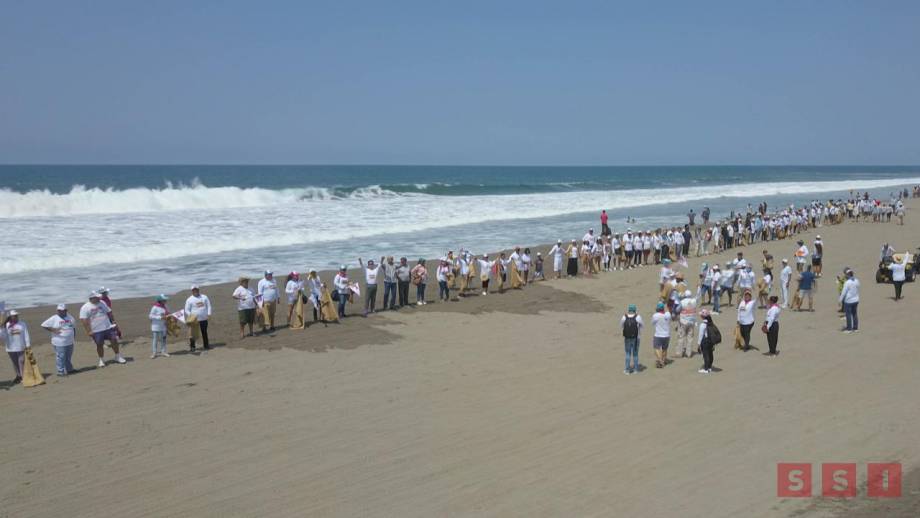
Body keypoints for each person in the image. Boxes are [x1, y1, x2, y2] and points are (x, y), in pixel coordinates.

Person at [79, 292, 126, 367]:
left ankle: (117, 356)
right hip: (96, 330)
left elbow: (109, 312)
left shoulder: (102, 302)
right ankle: (102, 359)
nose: (99, 298)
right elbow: (83, 320)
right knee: (99, 344)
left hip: (108, 327)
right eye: (97, 297)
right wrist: (89, 331)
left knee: (114, 341)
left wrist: (113, 322)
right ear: (91, 298)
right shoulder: (85, 307)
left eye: (99, 297)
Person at [41, 304, 77, 376]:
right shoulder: (54, 318)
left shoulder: (70, 317)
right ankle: (60, 371)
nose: (61, 312)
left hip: (70, 341)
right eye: (59, 310)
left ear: (66, 310)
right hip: (59, 342)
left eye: (62, 310)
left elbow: (73, 328)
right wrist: (53, 330)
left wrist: (73, 337)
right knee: (61, 357)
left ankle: (69, 369)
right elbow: (44, 325)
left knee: (68, 356)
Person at [4, 310, 30, 383]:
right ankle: (18, 376)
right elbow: (3, 335)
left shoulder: (22, 324)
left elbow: (26, 334)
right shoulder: (6, 325)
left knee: (21, 361)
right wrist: (2, 328)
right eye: (14, 316)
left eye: (16, 315)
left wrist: (28, 345)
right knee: (15, 362)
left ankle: (23, 376)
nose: (16, 317)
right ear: (10, 317)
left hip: (21, 346)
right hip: (10, 347)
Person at [185, 285, 212, 351]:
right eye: (193, 290)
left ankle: (206, 345)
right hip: (194, 320)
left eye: (196, 289)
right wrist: (191, 316)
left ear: (198, 290)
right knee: (193, 333)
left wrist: (209, 314)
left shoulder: (204, 297)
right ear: (192, 291)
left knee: (204, 332)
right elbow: (186, 310)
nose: (195, 291)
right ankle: (192, 347)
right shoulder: (189, 299)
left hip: (204, 318)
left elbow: (209, 306)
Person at [619, 304, 643, 375]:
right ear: (635, 310)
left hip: (627, 338)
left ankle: (627, 370)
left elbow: (621, 325)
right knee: (635, 354)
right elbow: (642, 325)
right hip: (636, 338)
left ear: (629, 310)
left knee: (628, 353)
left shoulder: (624, 317)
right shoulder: (638, 317)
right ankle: (636, 369)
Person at [676, 290, 697, 358]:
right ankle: (688, 353)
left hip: (683, 321)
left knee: (681, 337)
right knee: (690, 338)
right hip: (691, 321)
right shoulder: (694, 301)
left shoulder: (682, 302)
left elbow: (677, 310)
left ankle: (679, 353)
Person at [651, 302, 672, 369]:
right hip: (666, 335)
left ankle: (660, 361)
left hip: (658, 335)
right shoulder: (668, 314)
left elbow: (652, 323)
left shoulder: (655, 315)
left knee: (656, 348)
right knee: (664, 349)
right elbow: (668, 313)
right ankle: (663, 360)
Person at [697, 309, 715, 374]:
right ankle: (709, 367)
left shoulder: (702, 325)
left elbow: (700, 335)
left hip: (705, 341)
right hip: (710, 341)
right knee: (710, 354)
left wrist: (698, 344)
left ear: (702, 317)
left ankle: (706, 369)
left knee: (705, 355)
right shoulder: (711, 323)